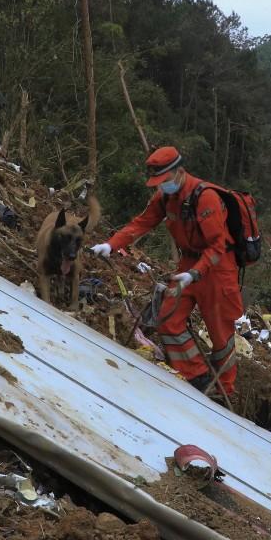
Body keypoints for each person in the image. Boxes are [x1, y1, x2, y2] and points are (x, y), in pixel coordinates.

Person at [90, 147, 243, 396]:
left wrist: (196, 273)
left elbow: (218, 245)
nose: (161, 186)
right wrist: (111, 244)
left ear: (180, 172)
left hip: (217, 268)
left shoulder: (206, 198)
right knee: (168, 319)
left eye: (165, 181)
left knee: (220, 334)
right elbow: (142, 223)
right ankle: (198, 378)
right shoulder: (164, 197)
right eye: (158, 183)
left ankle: (224, 390)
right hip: (188, 264)